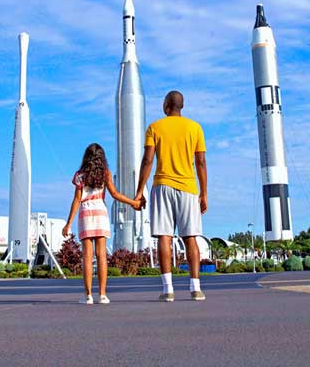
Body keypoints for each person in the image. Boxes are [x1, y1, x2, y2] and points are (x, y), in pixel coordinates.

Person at [134, 90, 207, 302]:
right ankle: (196, 288)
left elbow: (147, 161)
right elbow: (201, 162)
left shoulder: (155, 127)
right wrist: (204, 193)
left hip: (162, 185)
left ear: (166, 105)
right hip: (188, 187)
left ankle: (168, 290)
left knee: (164, 237)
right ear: (181, 106)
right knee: (190, 237)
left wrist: (140, 190)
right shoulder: (195, 128)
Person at [62, 142, 142, 305]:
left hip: (86, 213)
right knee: (101, 256)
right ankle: (103, 294)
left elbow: (77, 199)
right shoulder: (105, 173)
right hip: (100, 212)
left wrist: (68, 223)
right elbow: (114, 194)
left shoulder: (80, 175)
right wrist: (132, 202)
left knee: (87, 255)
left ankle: (88, 295)